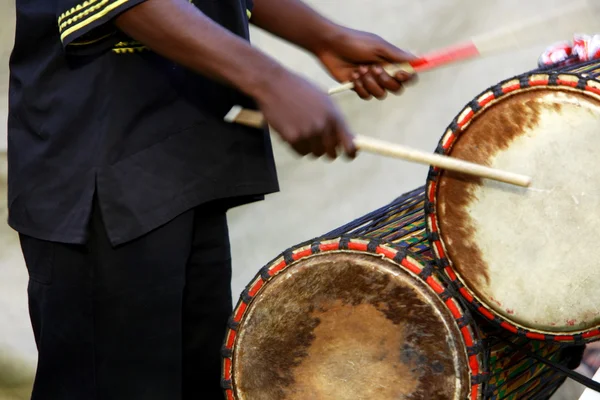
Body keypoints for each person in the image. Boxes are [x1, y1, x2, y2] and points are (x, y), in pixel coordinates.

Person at [7, 0, 417, 398]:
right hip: (103, 168)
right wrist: (271, 81)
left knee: (199, 382)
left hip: (182, 162)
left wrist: (325, 37)